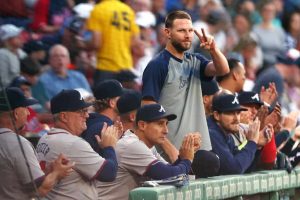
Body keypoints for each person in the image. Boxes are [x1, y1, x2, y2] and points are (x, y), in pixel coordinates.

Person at [142, 10, 229, 151]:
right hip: (171, 149)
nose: (188, 35)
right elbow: (148, 110)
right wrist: (167, 148)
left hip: (198, 146)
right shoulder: (158, 65)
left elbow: (223, 70)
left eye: (190, 30)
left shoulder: (195, 60)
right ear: (167, 32)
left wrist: (213, 50)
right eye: (181, 31)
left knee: (212, 163)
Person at [97, 103, 199, 200]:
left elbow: (169, 173)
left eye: (166, 124)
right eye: (160, 124)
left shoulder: (147, 147)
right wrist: (187, 159)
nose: (166, 130)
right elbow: (168, 174)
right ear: (142, 125)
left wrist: (184, 154)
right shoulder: (132, 145)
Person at [36, 89, 119, 199]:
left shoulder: (44, 138)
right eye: (81, 111)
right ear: (64, 116)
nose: (87, 115)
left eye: (86, 110)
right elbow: (109, 173)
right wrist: (109, 147)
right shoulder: (72, 143)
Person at [0, 87, 73, 199]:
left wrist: (48, 171)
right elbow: (39, 189)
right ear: (16, 113)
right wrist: (57, 173)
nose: (28, 112)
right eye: (25, 108)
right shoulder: (18, 144)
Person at [86, 0, 140, 84]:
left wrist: (83, 45)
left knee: (104, 97)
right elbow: (136, 41)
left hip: (105, 67)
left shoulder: (98, 9)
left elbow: (96, 43)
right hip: (126, 67)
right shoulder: (128, 10)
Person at [207, 93, 260, 175]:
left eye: (238, 113)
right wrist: (252, 143)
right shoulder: (212, 133)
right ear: (217, 115)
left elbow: (245, 167)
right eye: (230, 113)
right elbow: (234, 169)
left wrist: (257, 146)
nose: (237, 119)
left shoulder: (227, 134)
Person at [32, 44, 91, 110]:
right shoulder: (42, 81)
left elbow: (90, 99)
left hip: (85, 113)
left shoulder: (79, 77)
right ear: (50, 60)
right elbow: (46, 106)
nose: (60, 59)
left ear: (69, 60)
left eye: (63, 56)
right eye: (56, 56)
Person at [82, 79, 124, 155]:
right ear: (112, 103)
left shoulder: (89, 120)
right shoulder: (106, 127)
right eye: (121, 98)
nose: (125, 101)